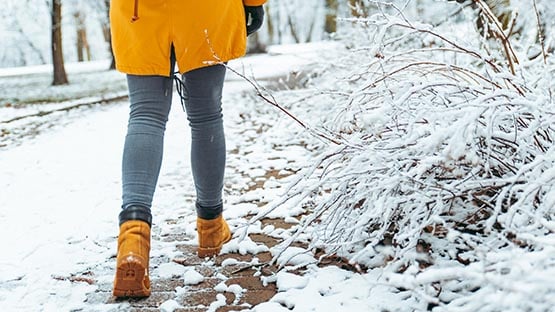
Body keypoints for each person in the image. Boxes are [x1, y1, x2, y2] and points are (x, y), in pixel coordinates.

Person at [109, 0, 266, 298]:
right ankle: (210, 227)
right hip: (206, 9)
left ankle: (133, 237)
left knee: (145, 115)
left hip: (138, 11)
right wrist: (254, 4)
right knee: (206, 115)